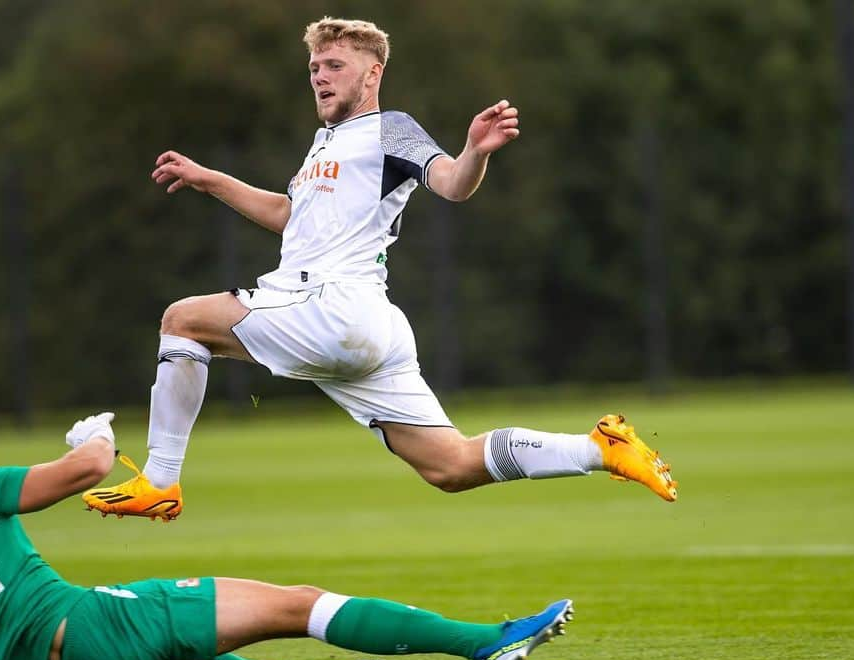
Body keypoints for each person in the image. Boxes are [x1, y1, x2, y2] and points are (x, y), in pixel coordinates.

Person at [82, 17, 676, 522]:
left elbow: (448, 184)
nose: (319, 75)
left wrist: (473, 152)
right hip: (366, 326)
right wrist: (209, 178)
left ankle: (160, 480)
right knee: (452, 467)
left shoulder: (387, 129)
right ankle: (601, 449)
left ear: (372, 74)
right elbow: (292, 216)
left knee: (182, 320)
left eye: (335, 64)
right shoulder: (323, 145)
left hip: (331, 307)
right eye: (315, 66)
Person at [0, 412, 574, 660]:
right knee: (298, 603)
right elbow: (87, 469)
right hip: (93, 630)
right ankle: (490, 640)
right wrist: (96, 432)